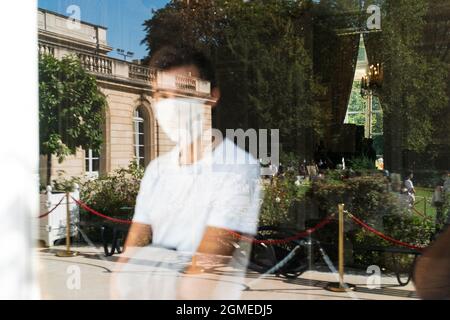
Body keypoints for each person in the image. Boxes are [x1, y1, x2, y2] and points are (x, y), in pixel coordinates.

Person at [112, 46, 261, 300]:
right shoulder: (155, 171)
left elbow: (201, 280)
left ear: (211, 97)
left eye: (183, 94)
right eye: (163, 95)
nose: (171, 106)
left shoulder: (238, 168)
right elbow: (127, 260)